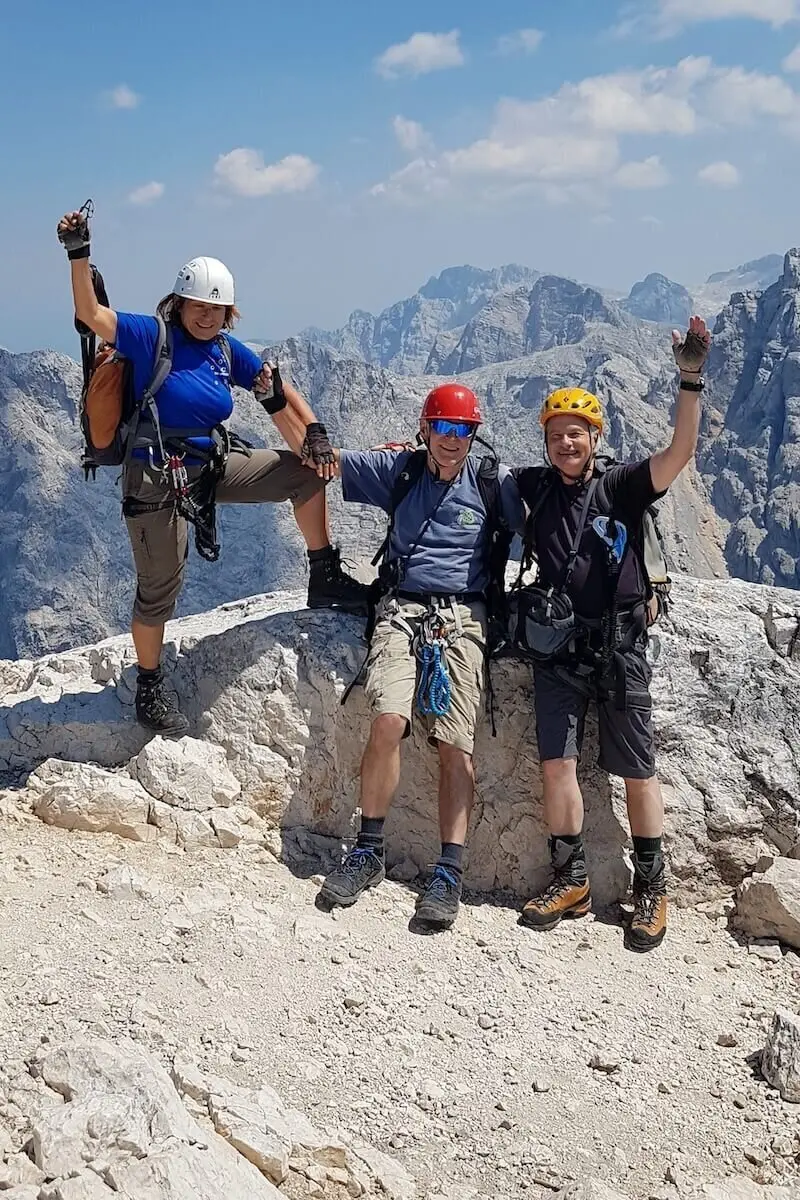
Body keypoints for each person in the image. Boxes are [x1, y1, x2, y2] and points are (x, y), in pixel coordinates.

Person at [56, 206, 368, 737]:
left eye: (216, 307)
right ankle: (149, 686)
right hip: (154, 474)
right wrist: (79, 253)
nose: (206, 315)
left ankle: (324, 574)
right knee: (161, 586)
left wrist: (313, 430)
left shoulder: (225, 349)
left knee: (303, 474)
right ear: (179, 303)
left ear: (230, 313)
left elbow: (273, 387)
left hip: (209, 466)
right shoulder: (148, 334)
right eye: (198, 305)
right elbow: (91, 315)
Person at [513, 317, 711, 953]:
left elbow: (679, 454)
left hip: (621, 647)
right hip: (560, 652)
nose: (567, 442)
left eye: (577, 433)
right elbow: (468, 479)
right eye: (557, 434)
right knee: (556, 766)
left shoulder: (620, 486)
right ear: (545, 442)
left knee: (637, 772)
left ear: (595, 439)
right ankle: (570, 881)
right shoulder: (535, 489)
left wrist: (689, 379)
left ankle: (653, 889)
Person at [316, 384, 525, 929]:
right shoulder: (400, 471)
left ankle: (448, 871)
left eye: (464, 431)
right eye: (445, 429)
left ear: (473, 435)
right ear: (426, 429)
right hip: (402, 611)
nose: (454, 441)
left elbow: (549, 519)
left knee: (456, 743)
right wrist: (277, 402)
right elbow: (326, 462)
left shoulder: (490, 483)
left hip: (463, 617)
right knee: (387, 720)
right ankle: (367, 851)